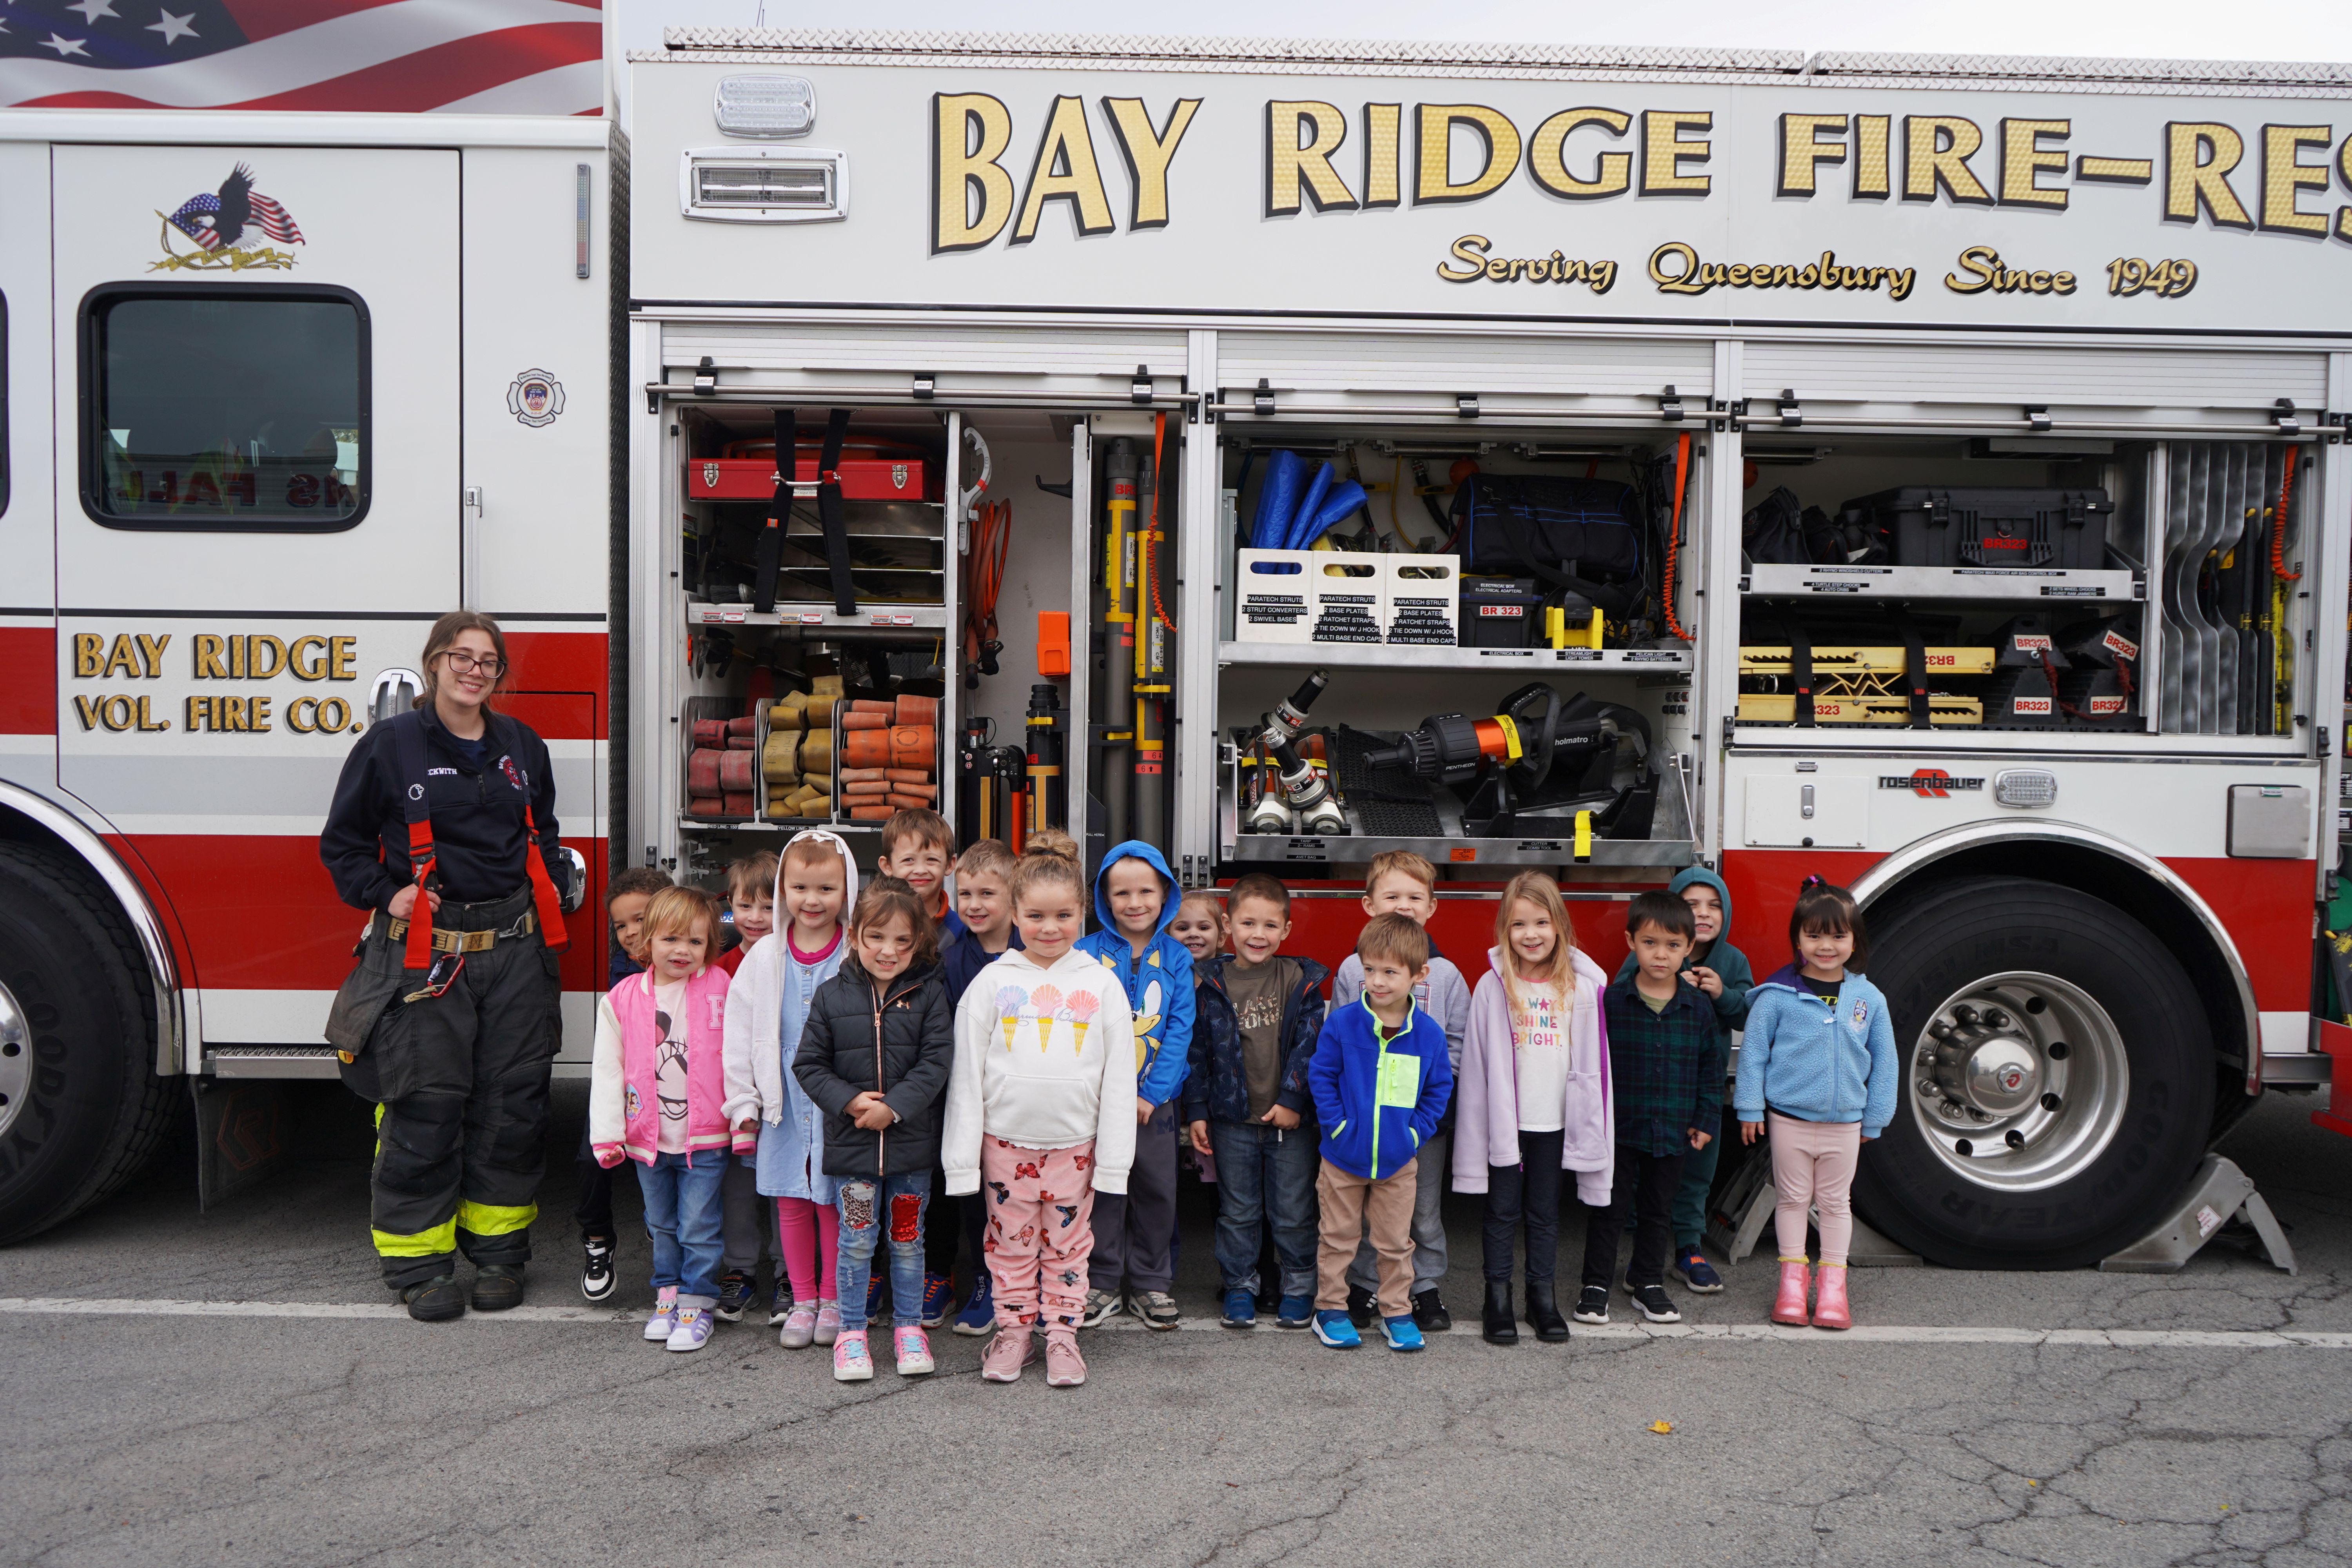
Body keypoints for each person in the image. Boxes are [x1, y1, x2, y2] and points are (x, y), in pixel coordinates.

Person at [320, 610, 573, 1321]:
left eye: (488, 661)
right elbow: (341, 845)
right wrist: (385, 893)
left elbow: (543, 828)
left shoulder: (521, 745)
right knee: (425, 1105)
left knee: (513, 1107)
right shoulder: (391, 746)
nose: (474, 671)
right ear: (433, 664)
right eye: (460, 657)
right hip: (427, 957)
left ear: (499, 674)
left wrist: (548, 879)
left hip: (515, 953)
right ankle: (420, 1265)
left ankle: (498, 1254)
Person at [941, 844, 1138, 1388]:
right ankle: (1013, 1332)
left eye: (1063, 915)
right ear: (1015, 913)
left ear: (1082, 914)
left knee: (1070, 1248)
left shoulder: (1101, 985)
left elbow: (1120, 1079)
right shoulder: (990, 984)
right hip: (1005, 1146)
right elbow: (967, 1080)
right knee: (1008, 1246)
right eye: (1035, 916)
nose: (1049, 928)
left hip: (1077, 1146)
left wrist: (1114, 1163)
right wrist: (962, 1161)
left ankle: (1063, 1335)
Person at [792, 877, 955, 1381]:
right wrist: (850, 1101)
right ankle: (852, 1333)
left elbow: (936, 1062)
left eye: (903, 941)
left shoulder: (929, 995)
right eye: (877, 937)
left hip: (909, 1154)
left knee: (908, 1241)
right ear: (856, 935)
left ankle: (909, 1328)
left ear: (918, 944)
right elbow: (809, 1065)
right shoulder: (830, 996)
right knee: (858, 1241)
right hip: (854, 1151)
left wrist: (896, 1108)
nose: (889, 951)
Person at [1735, 878, 1899, 1332]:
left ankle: (1832, 1289)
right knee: (1791, 1199)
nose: (1826, 946)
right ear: (1798, 941)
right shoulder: (1776, 996)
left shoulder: (1869, 999)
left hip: (1846, 1124)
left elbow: (1886, 1062)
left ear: (1855, 941)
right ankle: (1791, 1285)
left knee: (1834, 1202)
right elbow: (1753, 1054)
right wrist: (1749, 1107)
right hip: (1788, 1119)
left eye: (1838, 936)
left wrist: (1877, 1116)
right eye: (1814, 935)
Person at [1454, 872, 1611, 1345]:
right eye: (1520, 924)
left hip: (1557, 1122)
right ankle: (1496, 1298)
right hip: (1507, 1123)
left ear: (1560, 924)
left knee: (1545, 1213)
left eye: (1542, 922)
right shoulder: (1492, 986)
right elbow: (1479, 1063)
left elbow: (1596, 1063)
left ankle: (1541, 1299)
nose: (1531, 934)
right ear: (1505, 929)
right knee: (1502, 1212)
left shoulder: (1581, 989)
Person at [588, 886, 745, 1353]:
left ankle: (697, 1301)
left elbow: (738, 1057)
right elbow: (607, 1069)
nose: (683, 951)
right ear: (645, 942)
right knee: (660, 1223)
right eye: (672, 939)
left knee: (699, 1224)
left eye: (696, 943)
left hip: (707, 1135)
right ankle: (668, 1293)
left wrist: (744, 1116)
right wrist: (608, 1134)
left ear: (710, 947)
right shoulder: (621, 999)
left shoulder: (722, 987)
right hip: (646, 1139)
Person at [722, 830, 857, 1348]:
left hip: (836, 1098)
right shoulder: (764, 956)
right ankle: (802, 1300)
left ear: (847, 889)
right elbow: (738, 1035)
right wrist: (743, 1101)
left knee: (833, 1201)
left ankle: (834, 1299)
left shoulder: (853, 950)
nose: (812, 900)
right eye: (800, 887)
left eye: (826, 888)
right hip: (782, 1098)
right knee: (791, 1201)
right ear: (785, 889)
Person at [1329, 852, 1470, 1333]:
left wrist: (1421, 1118)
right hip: (1366, 1122)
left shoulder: (1446, 975)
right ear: (1369, 904)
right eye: (1392, 896)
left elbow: (1456, 1043)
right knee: (1371, 1211)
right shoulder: (1353, 970)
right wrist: (1347, 1115)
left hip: (1419, 1125)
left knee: (1423, 1211)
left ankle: (1425, 1288)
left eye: (1415, 897)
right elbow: (1338, 1039)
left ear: (1432, 906)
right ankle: (1367, 1287)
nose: (1404, 906)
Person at [1186, 873, 1327, 1330]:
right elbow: (1198, 1052)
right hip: (1233, 1122)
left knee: (1292, 1212)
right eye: (1248, 924)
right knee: (1239, 1211)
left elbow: (1311, 1045)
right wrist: (1198, 1110)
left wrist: (1293, 1098)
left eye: (1270, 926)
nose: (1258, 935)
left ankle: (1299, 1287)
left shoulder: (1300, 979)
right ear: (1228, 925)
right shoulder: (1211, 983)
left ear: (1286, 930)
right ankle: (1240, 1286)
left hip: (1289, 1123)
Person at [1307, 913, 1451, 1353]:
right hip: (1341, 1158)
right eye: (1370, 969)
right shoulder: (1343, 1022)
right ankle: (1330, 1309)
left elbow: (1438, 1089)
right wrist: (1339, 1125)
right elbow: (1322, 1076)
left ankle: (1397, 1311)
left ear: (1419, 974)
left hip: (1397, 1161)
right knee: (1338, 1238)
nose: (1377, 981)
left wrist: (1413, 1135)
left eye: (1390, 972)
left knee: (1395, 1242)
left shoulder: (1427, 1034)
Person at [1579, 892, 1722, 1328]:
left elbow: (1710, 1067)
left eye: (1673, 945)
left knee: (1659, 1207)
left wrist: (1705, 1119)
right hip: (1618, 1127)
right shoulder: (1611, 1003)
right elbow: (1590, 1066)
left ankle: (1647, 1282)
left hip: (1674, 1127)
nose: (1661, 955)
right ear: (1630, 942)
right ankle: (1596, 1284)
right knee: (1610, 1205)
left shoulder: (1697, 1007)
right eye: (1650, 943)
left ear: (1689, 947)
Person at [1612, 868, 1753, 1294]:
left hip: (1696, 1092)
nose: (1705, 914)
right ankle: (1640, 1251)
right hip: (1648, 1090)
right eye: (1693, 905)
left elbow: (1747, 1013)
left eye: (1715, 905)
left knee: (1695, 1171)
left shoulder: (1733, 960)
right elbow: (1618, 998)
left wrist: (1720, 993)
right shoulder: (1647, 953)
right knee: (1641, 1174)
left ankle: (1690, 1247)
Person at [1073, 839, 1194, 1330]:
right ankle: (1101, 1280)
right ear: (1105, 898)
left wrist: (1152, 1093)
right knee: (1102, 1189)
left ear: (1165, 894)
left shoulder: (1177, 958)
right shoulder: (1084, 953)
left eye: (1146, 890)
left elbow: (1181, 1027)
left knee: (1157, 1191)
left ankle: (1150, 1282)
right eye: (1121, 893)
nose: (1135, 902)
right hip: (1097, 1105)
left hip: (1156, 1105)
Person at [879, 806, 964, 1327]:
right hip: (887, 1075)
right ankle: (875, 1271)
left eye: (932, 857)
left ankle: (938, 1272)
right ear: (887, 864)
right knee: (883, 1171)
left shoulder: (962, 929)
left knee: (938, 1172)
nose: (920, 867)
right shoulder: (876, 925)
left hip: (945, 1077)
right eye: (908, 858)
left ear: (950, 864)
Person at [577, 866, 671, 1303]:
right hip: (629, 1085)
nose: (632, 933)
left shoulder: (694, 959)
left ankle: (663, 1225)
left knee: (673, 1167)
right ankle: (598, 1239)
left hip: (677, 1090)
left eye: (642, 918)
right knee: (593, 1157)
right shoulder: (624, 971)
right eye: (621, 925)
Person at [940, 837, 1022, 1335]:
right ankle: (985, 1283)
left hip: (1024, 1104)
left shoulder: (1035, 954)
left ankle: (1028, 1285)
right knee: (976, 1199)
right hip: (974, 1102)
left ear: (1014, 896)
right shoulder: (952, 961)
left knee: (1025, 1199)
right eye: (965, 892)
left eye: (987, 894)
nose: (973, 904)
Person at [712, 851, 779, 1323]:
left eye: (768, 906)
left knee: (782, 1188)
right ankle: (739, 1269)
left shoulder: (794, 961)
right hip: (735, 1098)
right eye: (744, 906)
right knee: (737, 1188)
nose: (755, 918)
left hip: (782, 1099)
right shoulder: (718, 968)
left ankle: (786, 1270)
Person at [1167, 889, 1227, 966]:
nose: (1193, 934)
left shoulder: (1229, 977)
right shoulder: (1159, 975)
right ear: (1168, 937)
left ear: (1221, 939)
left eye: (1203, 928)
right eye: (1183, 929)